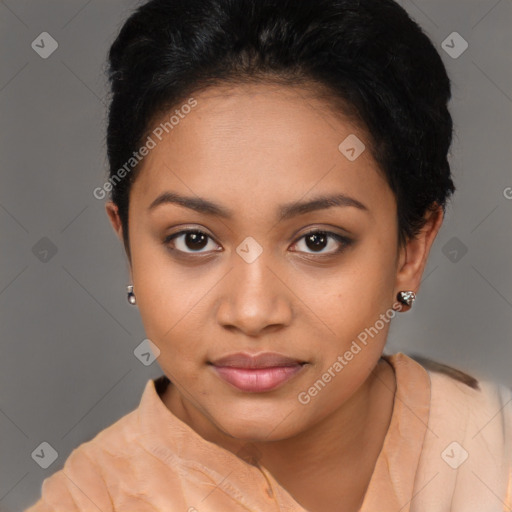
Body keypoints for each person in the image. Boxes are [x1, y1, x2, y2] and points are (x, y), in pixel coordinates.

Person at [25, 0, 512, 510]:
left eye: (317, 240)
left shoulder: (490, 453)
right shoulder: (92, 500)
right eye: (194, 240)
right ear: (128, 245)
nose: (253, 312)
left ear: (410, 249)